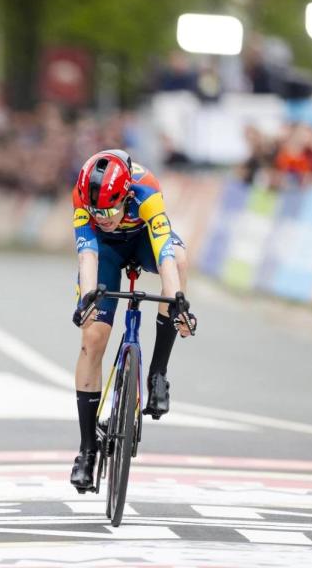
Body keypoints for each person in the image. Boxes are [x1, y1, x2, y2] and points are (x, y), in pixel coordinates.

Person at [68, 149, 195, 492]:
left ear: (126, 196)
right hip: (105, 250)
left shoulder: (147, 190)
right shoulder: (83, 196)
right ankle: (87, 450)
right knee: (92, 338)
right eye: (97, 211)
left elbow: (166, 254)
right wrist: (87, 300)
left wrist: (178, 301)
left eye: (109, 209)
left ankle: (157, 375)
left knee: (180, 262)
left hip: (142, 241)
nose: (103, 216)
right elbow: (88, 254)